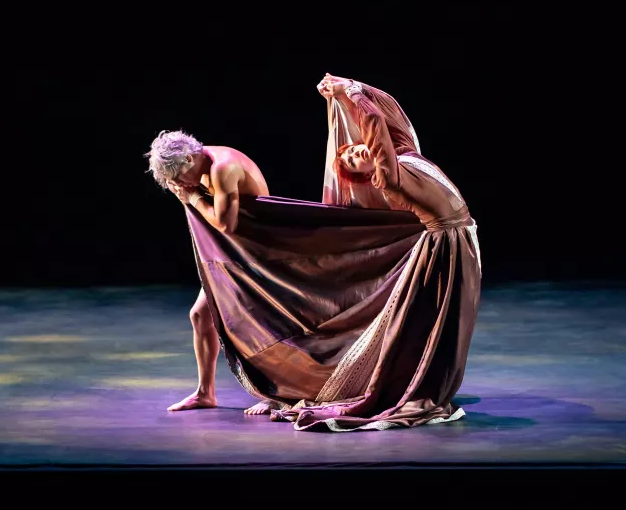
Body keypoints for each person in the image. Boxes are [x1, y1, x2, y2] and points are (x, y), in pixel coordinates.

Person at [155, 75, 481, 431]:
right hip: (447, 240)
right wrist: (351, 95)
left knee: (427, 323)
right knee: (205, 315)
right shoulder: (392, 169)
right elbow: (382, 128)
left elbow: (388, 122)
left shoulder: (399, 159)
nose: (357, 151)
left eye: (355, 151)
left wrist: (353, 91)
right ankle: (223, 390)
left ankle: (293, 389)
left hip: (448, 242)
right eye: (354, 158)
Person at [144, 130, 270, 412]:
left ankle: (278, 396)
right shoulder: (197, 166)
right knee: (201, 315)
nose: (177, 183)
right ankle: (205, 393)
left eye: (177, 176)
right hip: (232, 254)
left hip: (257, 256)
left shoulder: (223, 168)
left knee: (259, 326)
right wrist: (190, 196)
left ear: (189, 158)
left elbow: (227, 225)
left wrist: (192, 199)